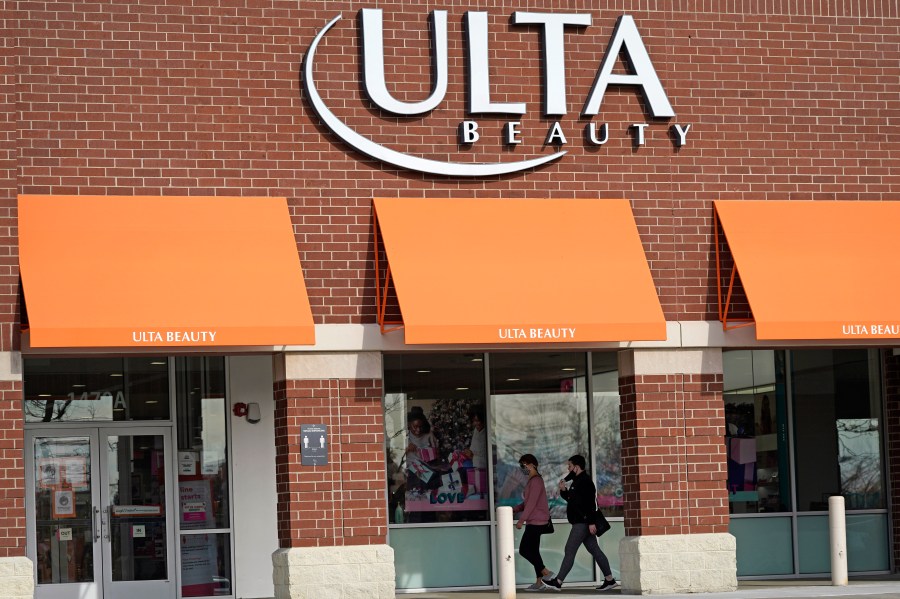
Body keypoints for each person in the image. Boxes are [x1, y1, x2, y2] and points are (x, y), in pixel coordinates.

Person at [543, 454, 618, 592]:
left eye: (570, 466)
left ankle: (558, 582)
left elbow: (590, 504)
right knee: (595, 550)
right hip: (582, 522)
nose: (568, 468)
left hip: (582, 523)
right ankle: (610, 580)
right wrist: (563, 490)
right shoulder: (577, 481)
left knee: (569, 550)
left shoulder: (585, 482)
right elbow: (574, 501)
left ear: (576, 467)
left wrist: (591, 523)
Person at [512, 454, 555, 591]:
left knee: (524, 550)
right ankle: (539, 582)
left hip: (537, 521)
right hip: (534, 521)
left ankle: (546, 572)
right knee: (534, 551)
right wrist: (515, 509)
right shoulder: (532, 481)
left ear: (532, 465)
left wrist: (521, 520)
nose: (522, 468)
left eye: (523, 465)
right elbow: (527, 502)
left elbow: (531, 504)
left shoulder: (536, 481)